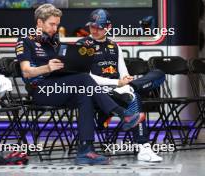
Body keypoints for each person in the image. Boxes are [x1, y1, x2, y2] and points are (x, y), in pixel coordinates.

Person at [15, 4, 145, 165]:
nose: (55, 28)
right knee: (84, 79)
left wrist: (72, 64)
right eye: (52, 24)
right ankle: (122, 114)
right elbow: (26, 72)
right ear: (40, 23)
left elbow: (61, 66)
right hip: (41, 90)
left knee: (86, 94)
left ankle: (85, 151)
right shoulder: (25, 40)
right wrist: (47, 67)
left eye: (57, 24)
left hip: (59, 86)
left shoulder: (54, 39)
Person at [77, 9, 165, 162]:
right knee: (133, 96)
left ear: (108, 27)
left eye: (99, 27)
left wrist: (125, 79)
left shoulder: (114, 45)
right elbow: (86, 78)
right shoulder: (82, 45)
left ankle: (132, 89)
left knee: (158, 74)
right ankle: (143, 147)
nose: (95, 30)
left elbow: (123, 73)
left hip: (119, 89)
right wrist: (116, 83)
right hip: (98, 91)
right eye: (92, 26)